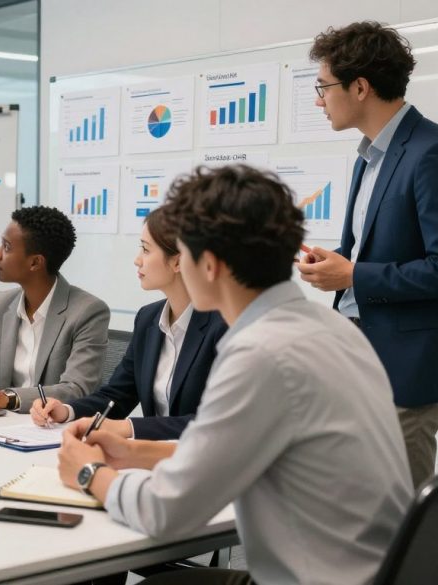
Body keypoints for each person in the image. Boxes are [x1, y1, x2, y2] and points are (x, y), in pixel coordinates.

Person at [58, 165, 412, 585]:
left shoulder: (262, 355)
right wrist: (135, 454)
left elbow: (164, 513)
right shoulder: (329, 327)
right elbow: (237, 448)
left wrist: (88, 472)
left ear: (208, 265)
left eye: (182, 253)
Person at [297, 21, 438, 489]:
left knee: (398, 524)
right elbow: (372, 249)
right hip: (357, 358)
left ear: (360, 87)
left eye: (324, 87)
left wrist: (355, 274)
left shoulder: (429, 152)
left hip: (405, 373)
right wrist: (335, 261)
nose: (319, 99)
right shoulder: (367, 156)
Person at [30, 208, 227, 439]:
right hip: (152, 457)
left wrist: (130, 427)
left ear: (177, 262)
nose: (137, 259)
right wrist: (67, 411)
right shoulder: (148, 318)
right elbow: (118, 395)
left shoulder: (223, 324)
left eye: (145, 249)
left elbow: (218, 420)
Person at [0, 206, 110, 413]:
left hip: (54, 427)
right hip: (6, 427)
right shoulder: (1, 305)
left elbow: (76, 389)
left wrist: (6, 398)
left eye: (7, 247)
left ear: (35, 262)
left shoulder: (88, 311)